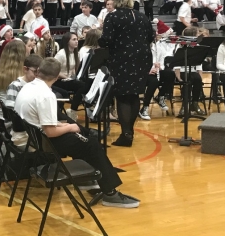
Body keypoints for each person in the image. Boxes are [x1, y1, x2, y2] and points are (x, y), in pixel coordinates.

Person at [14, 58, 140, 209]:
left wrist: (62, 125)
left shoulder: (28, 87)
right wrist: (70, 128)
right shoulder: (46, 95)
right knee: (91, 144)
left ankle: (85, 179)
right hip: (45, 142)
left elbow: (40, 121)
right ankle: (110, 193)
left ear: (38, 72)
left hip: (35, 137)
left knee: (82, 140)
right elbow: (50, 132)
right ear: (56, 78)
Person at [99, 0, 154, 147]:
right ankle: (130, 131)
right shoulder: (142, 16)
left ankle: (126, 134)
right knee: (134, 94)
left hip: (122, 58)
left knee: (122, 95)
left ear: (116, 0)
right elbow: (151, 36)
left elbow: (107, 39)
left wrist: (100, 41)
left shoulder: (113, 16)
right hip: (142, 58)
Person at [141, 20, 177, 118]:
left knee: (170, 74)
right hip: (143, 73)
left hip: (155, 71)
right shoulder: (141, 48)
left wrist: (160, 67)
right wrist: (149, 69)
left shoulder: (157, 46)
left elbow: (162, 60)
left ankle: (160, 96)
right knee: (153, 82)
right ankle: (144, 108)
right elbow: (139, 63)